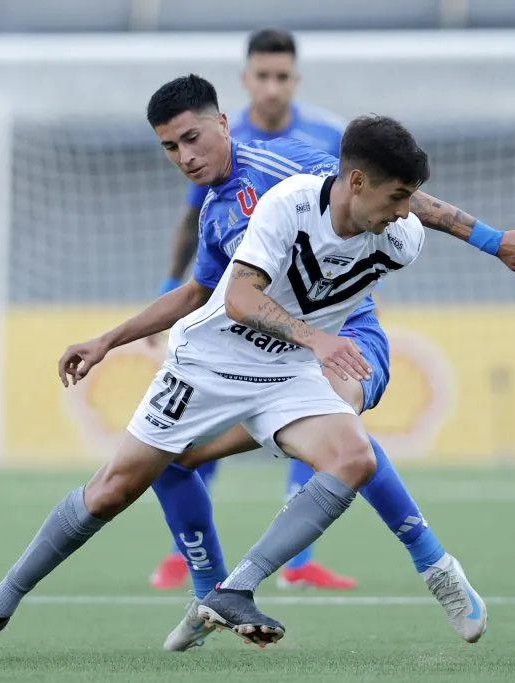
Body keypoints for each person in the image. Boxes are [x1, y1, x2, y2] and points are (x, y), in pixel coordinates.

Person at [0, 75, 515, 661]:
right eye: (169, 148)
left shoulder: (294, 171)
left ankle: (421, 569)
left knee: (352, 451)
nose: (184, 156)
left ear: (222, 122)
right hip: (215, 363)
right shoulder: (221, 211)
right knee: (114, 490)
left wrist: (491, 240)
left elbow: (393, 191)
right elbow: (209, 295)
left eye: (191, 138)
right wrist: (109, 339)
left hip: (321, 347)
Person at [151, 28, 350, 592]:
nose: (271, 87)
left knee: (323, 417)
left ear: (295, 80)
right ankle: (181, 554)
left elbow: (354, 213)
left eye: (281, 76)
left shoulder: (327, 135)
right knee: (205, 416)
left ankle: (299, 560)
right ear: (245, 82)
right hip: (235, 306)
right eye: (261, 76)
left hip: (313, 304)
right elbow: (195, 223)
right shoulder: (213, 140)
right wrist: (169, 290)